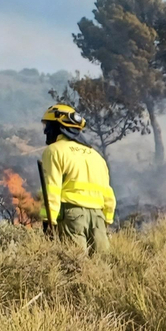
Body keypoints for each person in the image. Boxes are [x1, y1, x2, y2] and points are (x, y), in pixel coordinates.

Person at [39, 104, 115, 255]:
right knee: (101, 265)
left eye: (48, 125)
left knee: (74, 264)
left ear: (58, 126)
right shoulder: (96, 156)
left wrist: (48, 221)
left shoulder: (54, 151)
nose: (45, 131)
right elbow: (108, 194)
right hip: (98, 218)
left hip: (71, 215)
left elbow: (51, 189)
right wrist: (107, 219)